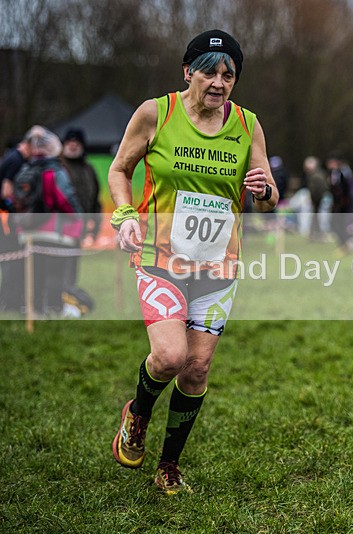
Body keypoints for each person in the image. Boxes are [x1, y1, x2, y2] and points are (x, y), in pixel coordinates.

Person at [108, 29, 278, 494]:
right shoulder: (156, 113)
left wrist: (264, 190)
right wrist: (125, 214)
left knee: (197, 368)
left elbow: (268, 198)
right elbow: (120, 169)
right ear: (188, 72)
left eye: (228, 75)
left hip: (218, 267)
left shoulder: (247, 124)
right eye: (208, 72)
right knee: (170, 356)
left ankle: (169, 464)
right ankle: (138, 414)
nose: (218, 82)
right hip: (159, 258)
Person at [12, 126, 83, 316]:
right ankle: (54, 307)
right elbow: (64, 199)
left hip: (27, 230)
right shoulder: (55, 171)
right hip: (53, 231)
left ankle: (32, 308)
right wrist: (78, 217)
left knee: (34, 273)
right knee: (55, 273)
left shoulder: (26, 169)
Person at [60, 128, 102, 309]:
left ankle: (67, 299)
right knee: (58, 267)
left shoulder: (88, 169)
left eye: (76, 141)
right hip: (60, 227)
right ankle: (56, 301)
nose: (73, 145)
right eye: (69, 141)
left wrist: (96, 225)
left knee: (72, 266)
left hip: (80, 228)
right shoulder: (59, 167)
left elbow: (95, 199)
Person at [0, 135, 32, 312]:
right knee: (11, 259)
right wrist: (16, 207)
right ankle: (7, 301)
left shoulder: (12, 157)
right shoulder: (16, 160)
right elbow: (6, 192)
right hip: (5, 221)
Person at [303, 156, 329, 241]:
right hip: (317, 201)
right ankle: (315, 235)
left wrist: (315, 200)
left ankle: (318, 235)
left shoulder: (316, 176)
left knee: (319, 219)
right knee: (315, 219)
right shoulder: (315, 175)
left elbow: (320, 190)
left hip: (318, 201)